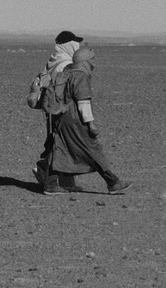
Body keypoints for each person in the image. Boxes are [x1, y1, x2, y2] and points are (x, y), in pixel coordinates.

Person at [29, 31, 123, 194]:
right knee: (71, 146)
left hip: (54, 111)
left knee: (59, 145)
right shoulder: (66, 64)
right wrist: (89, 121)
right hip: (66, 112)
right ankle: (49, 176)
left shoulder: (53, 60)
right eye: (74, 43)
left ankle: (60, 181)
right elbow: (76, 95)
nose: (77, 46)